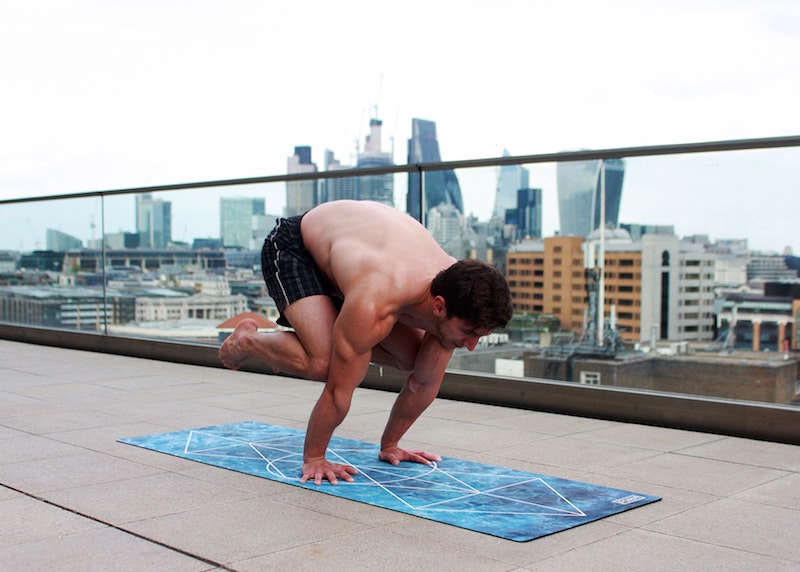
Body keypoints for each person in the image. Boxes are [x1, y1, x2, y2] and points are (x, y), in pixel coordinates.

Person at [219, 200, 512, 485]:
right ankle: (247, 341)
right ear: (439, 306)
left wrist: (391, 445)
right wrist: (315, 458)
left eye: (479, 336)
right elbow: (338, 390)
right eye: (469, 332)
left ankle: (297, 349)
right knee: (324, 363)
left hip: (354, 258)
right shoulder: (378, 301)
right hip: (297, 247)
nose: (471, 344)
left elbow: (423, 384)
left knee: (415, 359)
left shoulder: (456, 290)